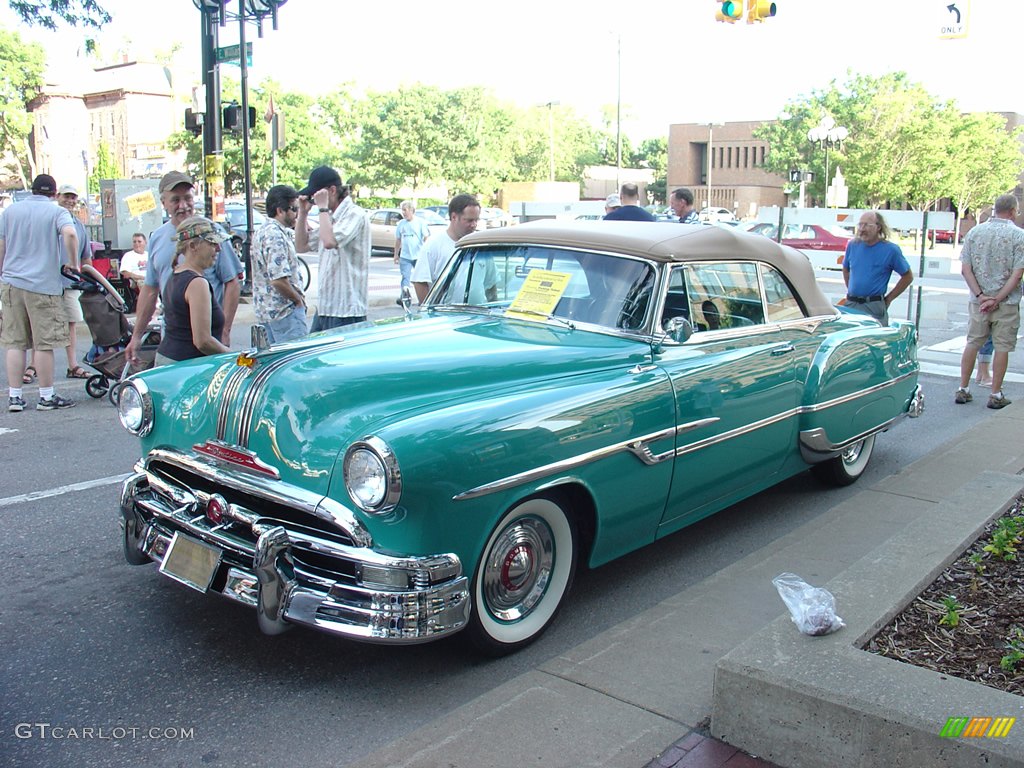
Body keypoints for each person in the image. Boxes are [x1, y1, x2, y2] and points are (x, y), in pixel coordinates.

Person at [126, 171, 242, 365]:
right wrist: (137, 335)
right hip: (187, 353)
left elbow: (233, 282)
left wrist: (225, 332)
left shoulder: (211, 231)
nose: (183, 205)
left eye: (188, 198)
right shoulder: (159, 239)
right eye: (175, 200)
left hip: (192, 347)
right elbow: (150, 289)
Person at [0, 173, 79, 411]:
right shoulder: (57, 212)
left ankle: (14, 397)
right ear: (54, 194)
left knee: (15, 342)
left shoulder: (10, 212)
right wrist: (73, 263)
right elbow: (71, 234)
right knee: (44, 343)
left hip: (12, 282)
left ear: (32, 190)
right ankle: (46, 396)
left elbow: (1, 244)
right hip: (43, 285)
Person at [955, 194, 1024, 409]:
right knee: (1002, 346)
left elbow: (965, 269)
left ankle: (963, 387)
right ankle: (995, 393)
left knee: (973, 342)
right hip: (1007, 302)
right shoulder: (1018, 236)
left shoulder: (975, 232)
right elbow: (1017, 273)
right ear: (1013, 210)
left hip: (978, 301)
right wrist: (998, 298)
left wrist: (980, 296)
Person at [294, 166, 371, 331]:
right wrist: (303, 213)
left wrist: (322, 209)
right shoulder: (328, 218)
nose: (314, 200)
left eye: (317, 195)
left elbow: (329, 242)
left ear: (332, 190)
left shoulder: (355, 214)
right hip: (325, 307)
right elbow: (301, 245)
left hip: (347, 310)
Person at [155, 217, 232, 364]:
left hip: (167, 360)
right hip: (186, 369)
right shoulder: (197, 284)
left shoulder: (175, 275)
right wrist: (234, 356)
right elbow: (203, 341)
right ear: (192, 246)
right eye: (212, 243)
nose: (218, 248)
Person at [251, 184, 307, 343]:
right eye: (294, 209)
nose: (296, 213)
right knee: (295, 362)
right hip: (284, 313)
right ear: (280, 210)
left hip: (267, 312)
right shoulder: (274, 235)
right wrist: (297, 300)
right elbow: (278, 280)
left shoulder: (262, 231)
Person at [841, 210, 913, 325]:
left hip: (873, 307)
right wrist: (851, 290)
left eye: (867, 225)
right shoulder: (853, 245)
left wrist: (889, 299)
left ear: (878, 227)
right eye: (860, 225)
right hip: (851, 305)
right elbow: (846, 269)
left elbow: (907, 276)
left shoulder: (891, 250)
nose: (862, 229)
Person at [410, 194, 482, 304]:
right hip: (446, 315)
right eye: (469, 220)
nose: (474, 225)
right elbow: (420, 282)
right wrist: (430, 312)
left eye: (476, 220)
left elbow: (491, 285)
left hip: (479, 316)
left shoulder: (481, 245)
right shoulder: (434, 245)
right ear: (454, 217)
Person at [55, 184, 92, 380]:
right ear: (57, 196)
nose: (70, 200)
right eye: (66, 196)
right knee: (40, 326)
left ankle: (72, 366)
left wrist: (89, 280)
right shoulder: (49, 219)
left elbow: (86, 257)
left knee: (71, 324)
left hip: (70, 283)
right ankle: (33, 366)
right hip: (47, 283)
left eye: (73, 197)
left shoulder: (78, 225)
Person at [393, 200, 429, 302]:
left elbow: (426, 237)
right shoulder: (401, 224)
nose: (403, 213)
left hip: (418, 255)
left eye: (405, 210)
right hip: (405, 256)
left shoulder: (420, 222)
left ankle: (425, 298)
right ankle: (405, 297)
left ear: (412, 210)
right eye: (402, 210)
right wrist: (396, 255)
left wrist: (425, 251)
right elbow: (398, 240)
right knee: (405, 277)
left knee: (421, 278)